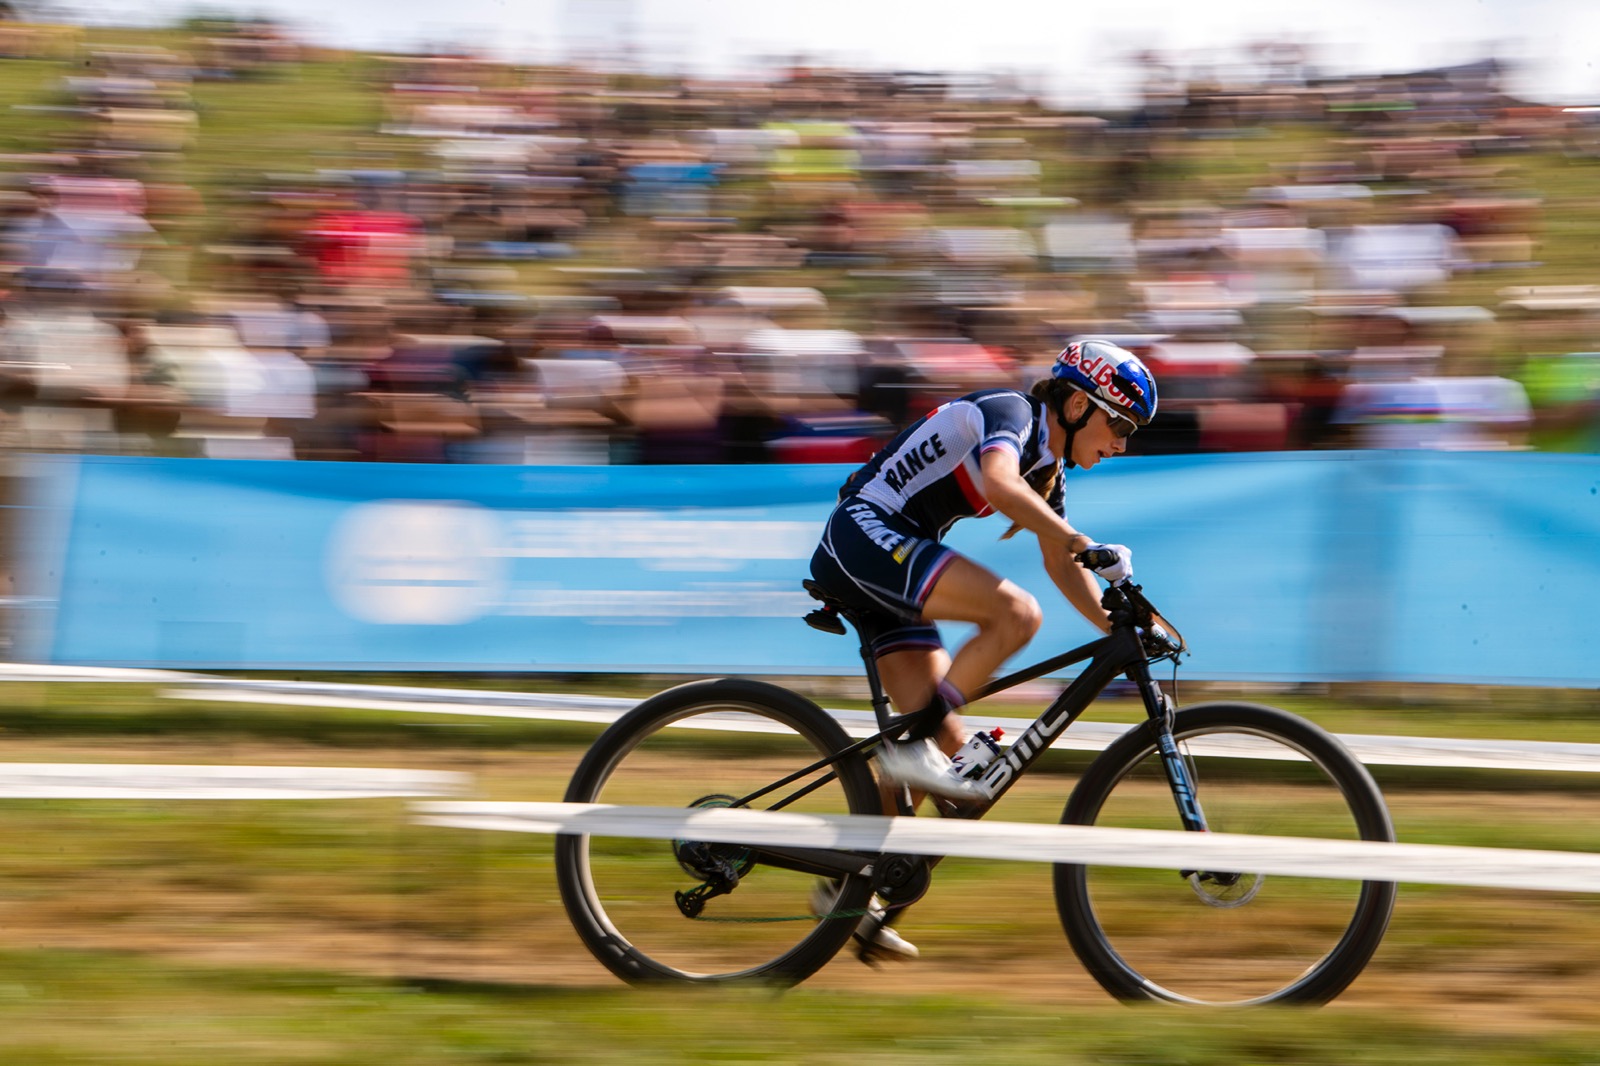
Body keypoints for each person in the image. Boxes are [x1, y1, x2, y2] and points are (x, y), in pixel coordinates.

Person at [806, 338, 1156, 958]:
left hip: (890, 552)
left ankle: (849, 890)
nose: (1122, 443)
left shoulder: (1048, 466)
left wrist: (1119, 624)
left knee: (952, 770)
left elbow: (1058, 558)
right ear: (1077, 403)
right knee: (1014, 614)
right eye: (1118, 424)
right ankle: (906, 765)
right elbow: (999, 485)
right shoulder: (1012, 413)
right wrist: (1079, 539)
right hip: (863, 535)